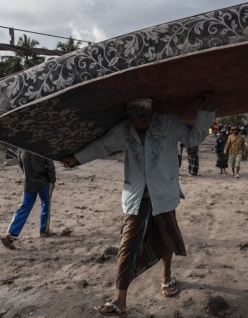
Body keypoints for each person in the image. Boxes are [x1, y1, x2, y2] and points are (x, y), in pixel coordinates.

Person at [60, 96, 215, 315]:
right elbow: (102, 145)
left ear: (152, 113)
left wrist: (205, 110)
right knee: (127, 245)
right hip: (136, 195)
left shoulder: (167, 123)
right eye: (134, 118)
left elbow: (194, 138)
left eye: (143, 117)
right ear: (128, 116)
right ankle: (120, 299)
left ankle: (166, 275)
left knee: (166, 236)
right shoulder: (124, 129)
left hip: (163, 192)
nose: (139, 122)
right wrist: (76, 158)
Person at [0, 150, 56, 249]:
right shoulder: (43, 146)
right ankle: (44, 231)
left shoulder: (22, 148)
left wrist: (27, 176)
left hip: (28, 182)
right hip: (43, 182)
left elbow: (21, 164)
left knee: (24, 206)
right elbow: (50, 166)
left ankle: (11, 232)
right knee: (45, 204)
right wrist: (52, 180)